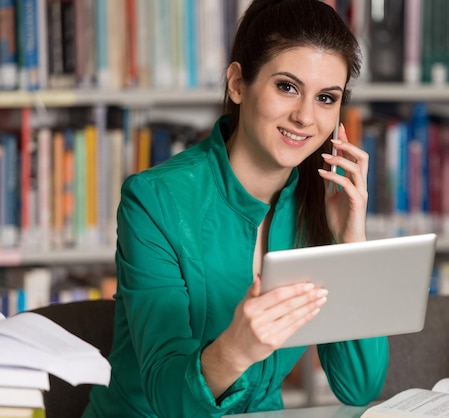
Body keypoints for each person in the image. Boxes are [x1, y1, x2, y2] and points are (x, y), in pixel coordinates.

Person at [83, 0, 389, 416]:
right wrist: (235, 351)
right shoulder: (155, 199)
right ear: (238, 83)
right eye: (287, 87)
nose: (304, 117)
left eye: (326, 98)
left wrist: (350, 244)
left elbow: (359, 388)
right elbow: (165, 395)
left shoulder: (320, 203)